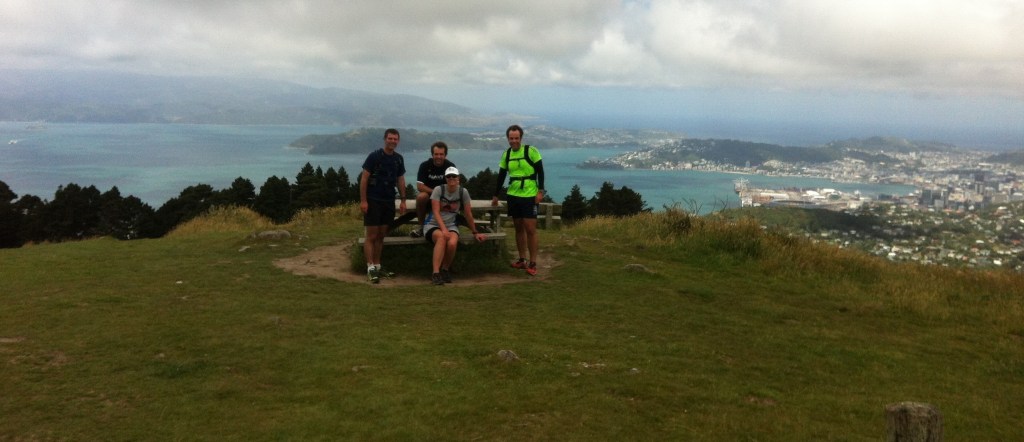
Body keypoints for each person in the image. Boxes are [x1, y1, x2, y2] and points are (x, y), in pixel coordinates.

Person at [491, 124, 544, 276]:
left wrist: (540, 191)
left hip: (529, 194)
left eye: (516, 138)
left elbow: (540, 171)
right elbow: (502, 175)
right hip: (513, 194)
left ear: (521, 138)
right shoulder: (507, 154)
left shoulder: (531, 151)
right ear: (507, 138)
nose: (514, 141)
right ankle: (522, 259)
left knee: (530, 229)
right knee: (518, 228)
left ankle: (533, 262)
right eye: (511, 138)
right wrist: (496, 194)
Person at [425, 166, 487, 285]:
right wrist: (443, 229)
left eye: (454, 176)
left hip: (451, 224)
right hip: (433, 223)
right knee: (442, 238)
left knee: (452, 243)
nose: (451, 178)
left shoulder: (463, 192)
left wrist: (475, 232)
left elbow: (468, 213)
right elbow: (436, 212)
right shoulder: (438, 190)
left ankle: (445, 269)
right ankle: (435, 273)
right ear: (445, 178)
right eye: (449, 176)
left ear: (458, 178)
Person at [359, 128, 407, 284]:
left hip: (389, 201)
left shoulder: (398, 159)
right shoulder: (374, 156)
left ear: (398, 141)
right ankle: (370, 267)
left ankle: (378, 266)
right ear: (385, 139)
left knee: (381, 236)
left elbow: (400, 180)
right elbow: (364, 179)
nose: (392, 141)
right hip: (373, 200)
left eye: (395, 139)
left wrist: (403, 200)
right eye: (390, 138)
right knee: (371, 236)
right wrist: (363, 201)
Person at [411, 141, 456, 237]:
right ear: (432, 154)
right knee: (421, 197)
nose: (439, 157)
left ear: (445, 155)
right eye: (436, 154)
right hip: (429, 196)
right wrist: (436, 193)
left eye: (441, 154)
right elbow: (420, 186)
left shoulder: (450, 167)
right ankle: (421, 227)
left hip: (445, 197)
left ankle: (449, 226)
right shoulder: (425, 165)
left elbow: (454, 185)